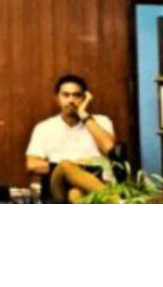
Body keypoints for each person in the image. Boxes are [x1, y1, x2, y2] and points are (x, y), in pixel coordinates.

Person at [25, 74, 117, 203]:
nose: (71, 100)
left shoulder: (101, 121)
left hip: (97, 182)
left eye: (76, 95)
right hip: (60, 185)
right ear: (57, 98)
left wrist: (84, 115)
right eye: (66, 95)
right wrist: (74, 167)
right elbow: (32, 164)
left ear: (85, 98)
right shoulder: (44, 127)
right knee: (65, 166)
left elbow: (110, 149)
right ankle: (116, 202)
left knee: (75, 194)